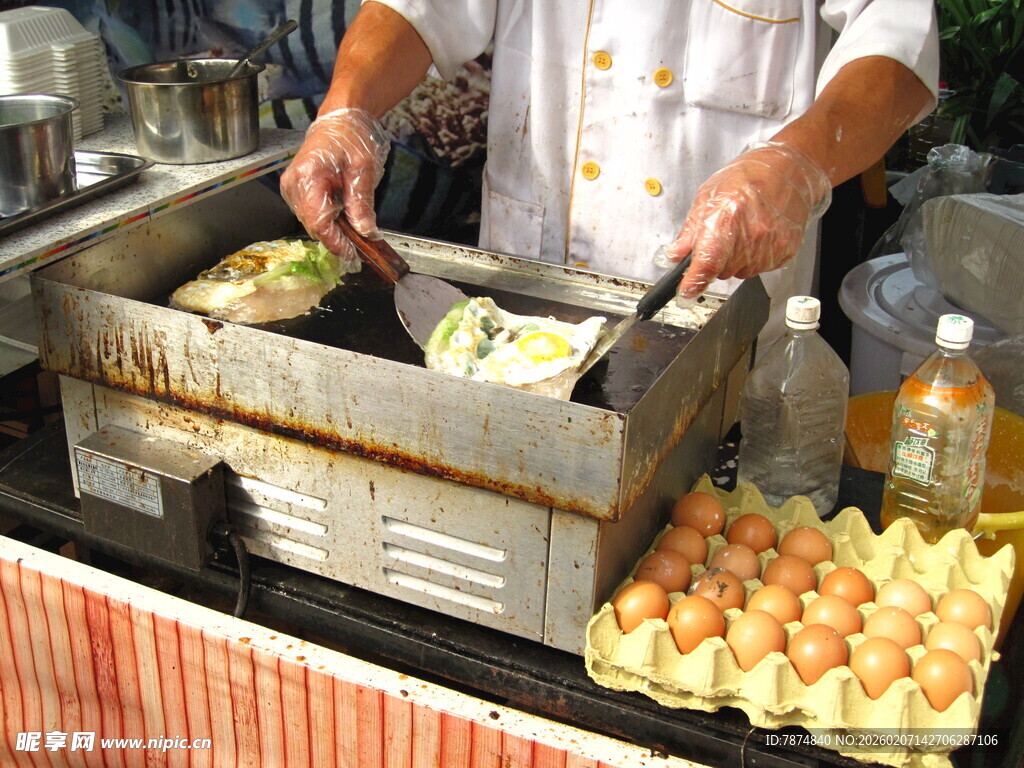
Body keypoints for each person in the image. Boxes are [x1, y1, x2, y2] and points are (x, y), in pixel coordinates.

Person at [280, 1, 938, 341]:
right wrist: (344, 111)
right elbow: (419, 7)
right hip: (528, 290)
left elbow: (898, 46)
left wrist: (799, 163)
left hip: (719, 294)